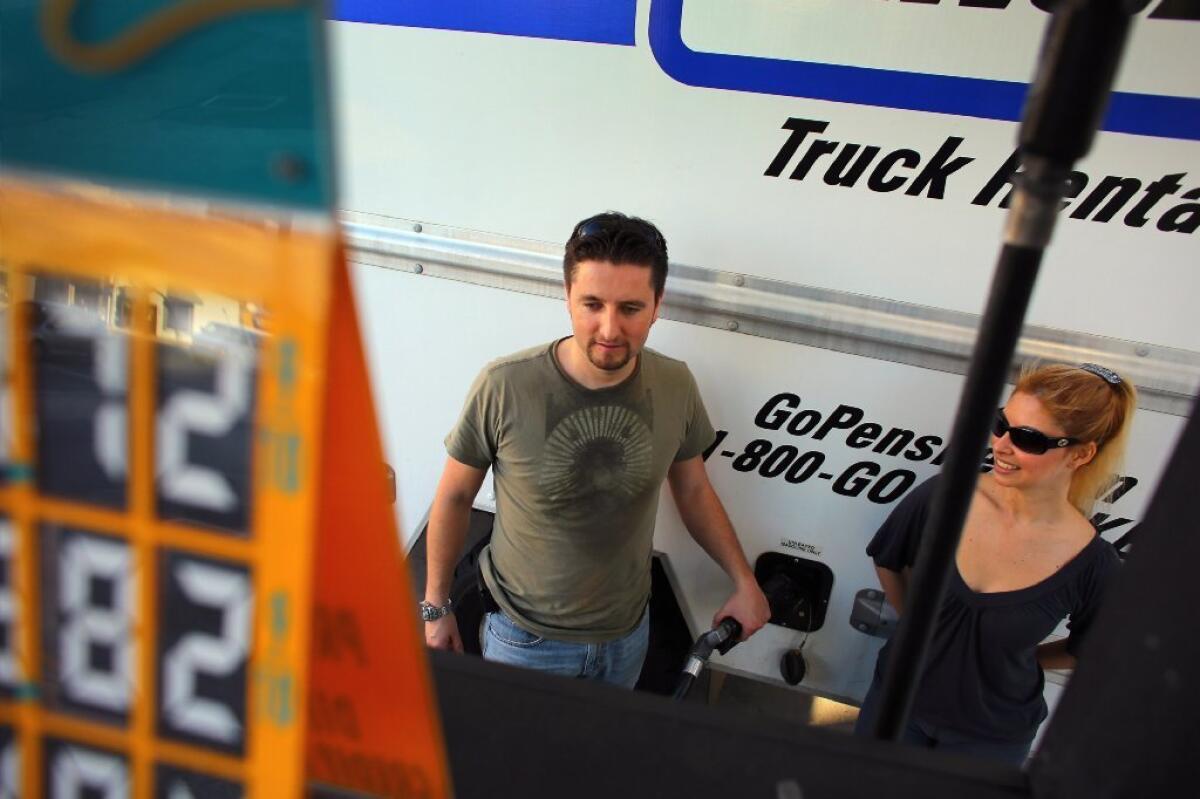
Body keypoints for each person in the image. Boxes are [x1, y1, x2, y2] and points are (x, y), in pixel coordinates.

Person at [421, 212, 770, 687]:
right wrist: (435, 607)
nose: (609, 329)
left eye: (630, 308)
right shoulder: (505, 385)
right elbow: (454, 497)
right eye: (592, 304)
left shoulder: (675, 384)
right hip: (525, 641)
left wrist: (745, 582)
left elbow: (692, 489)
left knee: (598, 756)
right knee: (521, 761)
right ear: (567, 297)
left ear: (657, 305)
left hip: (627, 637)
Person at [854, 362, 1136, 764]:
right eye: (1001, 424)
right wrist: (918, 623)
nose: (1001, 444)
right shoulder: (944, 497)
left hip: (990, 738)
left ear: (1081, 454)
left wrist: (1021, 658)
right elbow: (889, 559)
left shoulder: (1094, 565)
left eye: (1028, 439)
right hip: (896, 703)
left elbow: (1089, 649)